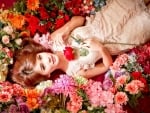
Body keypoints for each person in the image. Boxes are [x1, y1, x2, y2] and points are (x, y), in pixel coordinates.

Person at [11, 0, 150, 87]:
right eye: (42, 66)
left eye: (39, 57)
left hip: (106, 18)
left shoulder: (54, 41)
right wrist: (101, 49)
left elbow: (80, 20)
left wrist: (66, 30)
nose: (46, 59)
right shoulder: (75, 73)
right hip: (121, 39)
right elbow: (107, 66)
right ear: (47, 76)